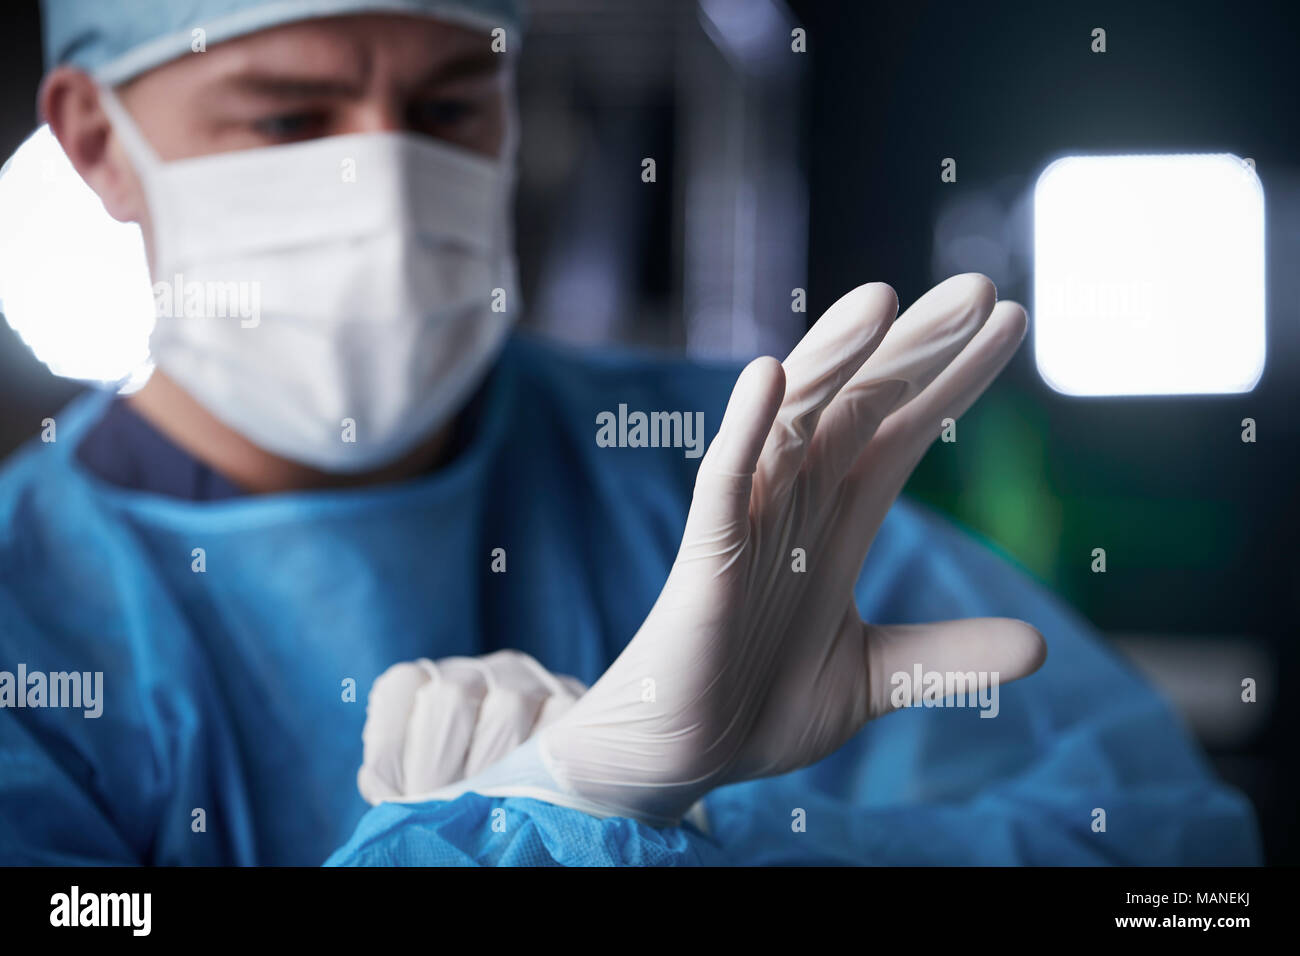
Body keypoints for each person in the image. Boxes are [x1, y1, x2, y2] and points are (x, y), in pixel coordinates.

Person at [0, 0, 1259, 866]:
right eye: (287, 121)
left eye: (446, 109)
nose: (380, 188)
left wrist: (673, 830)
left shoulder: (727, 466)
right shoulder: (32, 622)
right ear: (99, 140)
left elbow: (1166, 852)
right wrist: (532, 820)